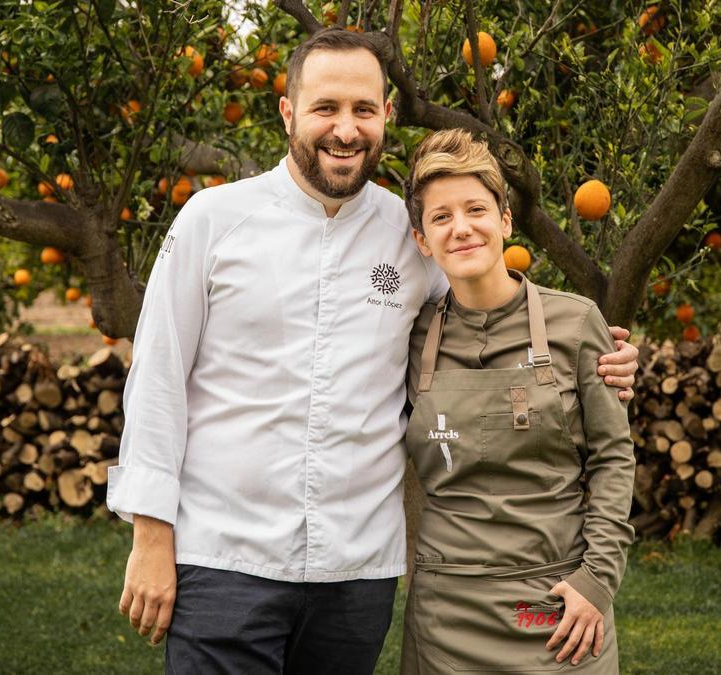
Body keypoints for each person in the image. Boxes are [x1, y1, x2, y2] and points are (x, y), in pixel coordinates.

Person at [106, 27, 639, 674]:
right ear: (288, 113)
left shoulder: (408, 230)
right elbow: (158, 378)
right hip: (225, 557)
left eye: (363, 109)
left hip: (355, 573)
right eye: (325, 108)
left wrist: (599, 353)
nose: (345, 128)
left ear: (386, 115)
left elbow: (490, 308)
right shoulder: (213, 221)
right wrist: (151, 535)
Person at [400, 129, 635, 674]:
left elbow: (613, 459)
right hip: (445, 612)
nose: (461, 228)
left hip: (558, 605)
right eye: (440, 217)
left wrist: (596, 581)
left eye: (476, 209)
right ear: (421, 240)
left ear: (505, 220)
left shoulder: (576, 322)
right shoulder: (408, 339)